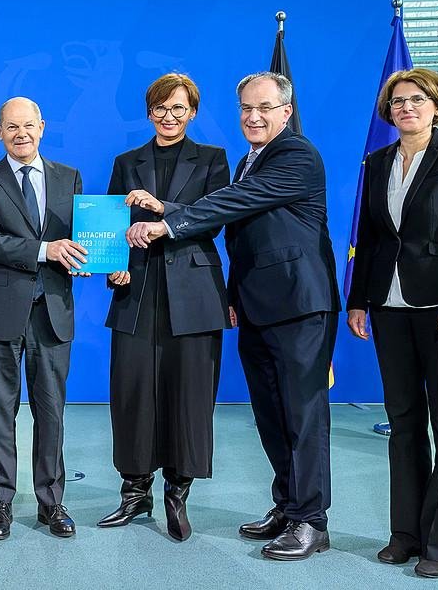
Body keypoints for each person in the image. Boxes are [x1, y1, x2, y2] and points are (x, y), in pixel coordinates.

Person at [127, 72, 339, 561]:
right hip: (256, 305)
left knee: (303, 417)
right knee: (271, 415)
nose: (253, 116)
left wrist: (169, 221)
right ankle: (287, 506)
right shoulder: (249, 160)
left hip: (299, 305)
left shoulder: (298, 155)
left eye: (264, 107)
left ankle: (311, 520)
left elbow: (238, 202)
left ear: (286, 112)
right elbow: (238, 220)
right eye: (246, 108)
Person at [346, 68, 438, 579]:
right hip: (388, 307)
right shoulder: (376, 162)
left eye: (416, 100)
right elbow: (370, 237)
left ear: (436, 105)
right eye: (397, 102)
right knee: (403, 424)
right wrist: (357, 300)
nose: (406, 108)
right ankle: (406, 534)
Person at [99, 74, 230, 541]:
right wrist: (113, 264)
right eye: (160, 108)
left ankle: (178, 490)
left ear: (192, 112)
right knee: (131, 391)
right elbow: (112, 223)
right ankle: (135, 492)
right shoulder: (126, 161)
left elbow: (214, 218)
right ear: (149, 111)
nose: (168, 117)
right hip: (136, 291)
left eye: (178, 108)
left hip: (193, 293)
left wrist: (162, 207)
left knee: (188, 393)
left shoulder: (213, 158)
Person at [0, 96, 88, 541]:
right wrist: (45, 250)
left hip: (53, 312)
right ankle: (0, 502)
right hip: (2, 313)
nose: (22, 134)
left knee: (51, 411)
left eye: (29, 126)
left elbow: (85, 236)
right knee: (0, 413)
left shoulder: (69, 177)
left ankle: (51, 504)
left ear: (43, 127)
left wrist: (105, 255)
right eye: (12, 127)